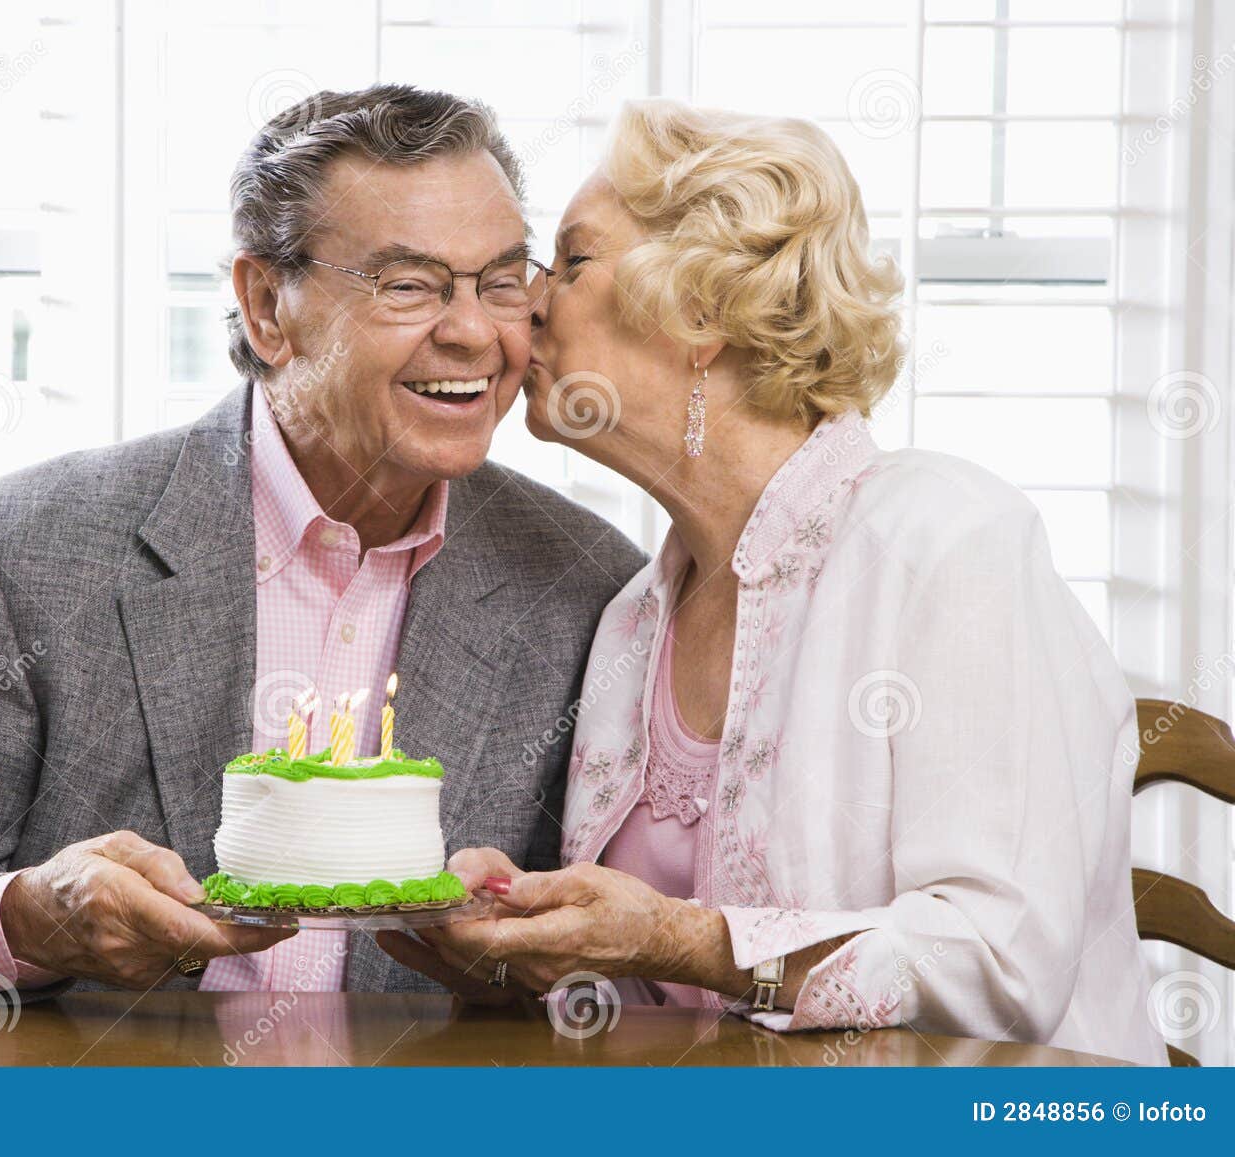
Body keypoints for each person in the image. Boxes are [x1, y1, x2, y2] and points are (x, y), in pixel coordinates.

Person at [0, 85, 644, 1009]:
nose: (473, 333)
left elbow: (622, 988)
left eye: (499, 282)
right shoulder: (27, 555)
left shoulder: (587, 584)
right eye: (408, 284)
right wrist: (23, 921)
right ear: (266, 307)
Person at [392, 100, 1167, 1066]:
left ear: (705, 309)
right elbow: (651, 1000)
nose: (531, 303)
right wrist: (529, 948)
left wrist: (681, 936)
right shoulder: (635, 615)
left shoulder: (949, 542)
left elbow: (1002, 968)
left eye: (576, 261)